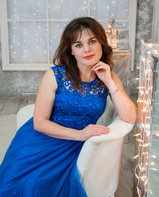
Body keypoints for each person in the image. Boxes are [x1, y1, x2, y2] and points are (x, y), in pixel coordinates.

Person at [0, 17, 136, 196]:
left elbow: (130, 117)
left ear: (101, 43)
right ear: (71, 50)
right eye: (78, 44)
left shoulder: (108, 76)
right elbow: (39, 123)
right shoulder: (55, 75)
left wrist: (109, 82)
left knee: (44, 184)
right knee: (27, 182)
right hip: (43, 138)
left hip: (74, 146)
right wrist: (80, 134)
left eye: (92, 41)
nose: (87, 49)